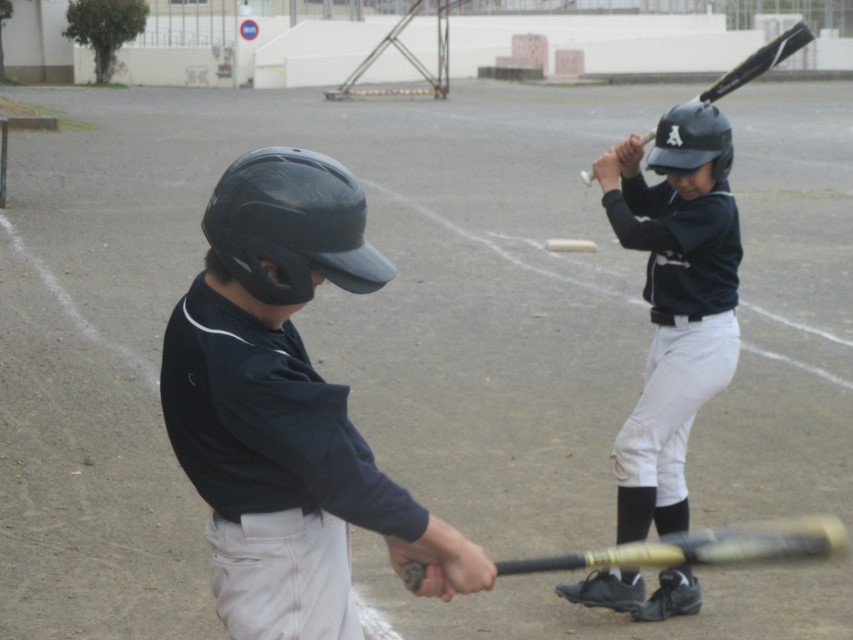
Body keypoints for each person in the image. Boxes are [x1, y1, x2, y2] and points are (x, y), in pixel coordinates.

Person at [160, 146, 497, 640]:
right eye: (316, 278)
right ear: (269, 268)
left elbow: (328, 436)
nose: (316, 291)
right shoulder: (246, 364)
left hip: (290, 550)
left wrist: (399, 530)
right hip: (284, 569)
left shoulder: (217, 309)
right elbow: (339, 473)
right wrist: (453, 545)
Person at [555, 102, 742, 622]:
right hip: (672, 338)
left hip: (704, 344)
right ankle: (681, 583)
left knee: (635, 444)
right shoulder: (686, 193)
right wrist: (634, 174)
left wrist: (609, 184)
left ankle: (624, 577)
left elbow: (634, 233)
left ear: (720, 163)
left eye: (691, 170)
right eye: (673, 169)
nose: (679, 180)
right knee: (662, 459)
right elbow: (646, 204)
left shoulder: (715, 209)